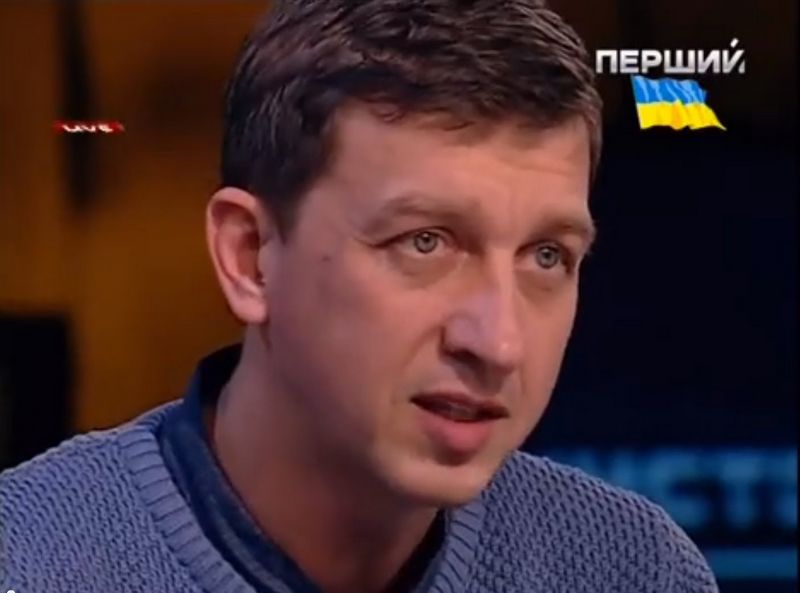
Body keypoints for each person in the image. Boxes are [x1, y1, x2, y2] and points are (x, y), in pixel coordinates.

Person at [0, 1, 720, 592]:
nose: (500, 342)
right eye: (425, 242)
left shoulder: (637, 569)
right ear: (250, 257)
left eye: (546, 255)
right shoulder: (26, 561)